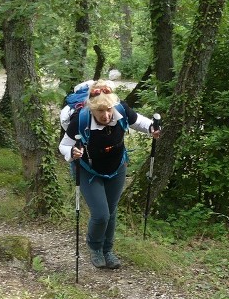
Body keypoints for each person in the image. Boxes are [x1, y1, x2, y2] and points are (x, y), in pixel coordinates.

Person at [58, 81, 161, 269]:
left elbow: (137, 121)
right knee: (101, 214)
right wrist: (72, 152)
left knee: (111, 211)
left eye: (109, 110)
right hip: (89, 171)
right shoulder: (80, 120)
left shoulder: (121, 110)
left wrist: (152, 128)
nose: (106, 115)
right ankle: (95, 248)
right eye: (101, 111)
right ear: (91, 109)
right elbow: (63, 145)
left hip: (117, 168)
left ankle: (108, 250)